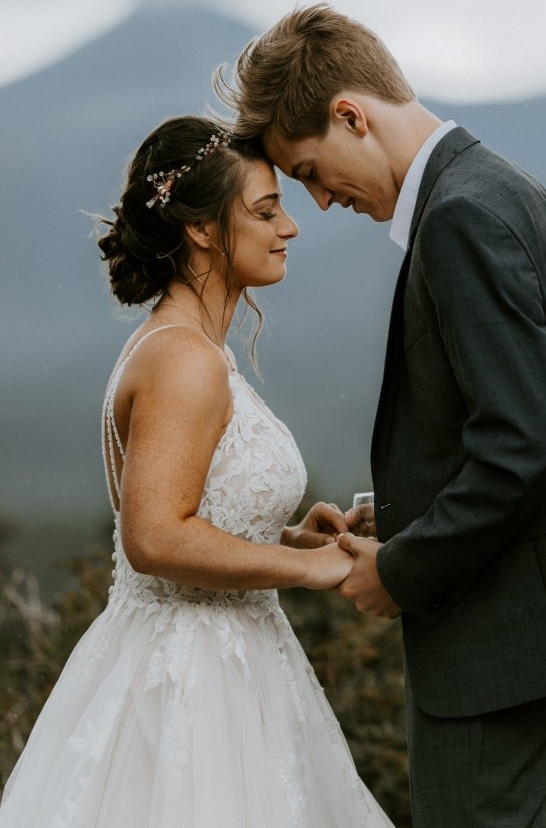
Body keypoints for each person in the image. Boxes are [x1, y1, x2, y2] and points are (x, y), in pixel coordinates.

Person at [219, 5, 546, 828]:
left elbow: (528, 445)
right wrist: (403, 511)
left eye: (312, 169)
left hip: (495, 652)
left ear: (352, 114)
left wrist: (403, 567)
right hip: (544, 642)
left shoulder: (459, 218)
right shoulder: (512, 189)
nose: (318, 201)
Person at [0, 115, 395, 828]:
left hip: (230, 662)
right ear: (204, 230)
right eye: (267, 210)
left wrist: (292, 534)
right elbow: (154, 537)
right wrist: (313, 571)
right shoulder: (184, 358)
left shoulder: (190, 347)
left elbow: (189, 508)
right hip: (192, 682)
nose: (291, 227)